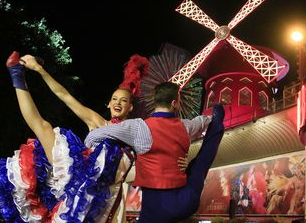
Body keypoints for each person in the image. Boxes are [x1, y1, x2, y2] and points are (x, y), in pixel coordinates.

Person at [0, 51, 158, 222]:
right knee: (44, 127)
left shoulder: (135, 133)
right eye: (114, 99)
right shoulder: (98, 122)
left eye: (123, 100)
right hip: (78, 178)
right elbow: (65, 96)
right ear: (108, 104)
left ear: (130, 107)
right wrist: (40, 70)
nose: (118, 102)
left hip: (106, 200)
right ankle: (17, 74)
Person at [85, 81, 226, 222]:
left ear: (155, 101)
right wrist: (212, 119)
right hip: (186, 201)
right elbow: (201, 122)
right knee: (200, 164)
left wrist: (113, 148)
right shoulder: (185, 126)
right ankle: (219, 121)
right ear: (174, 103)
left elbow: (92, 137)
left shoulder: (138, 127)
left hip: (155, 209)